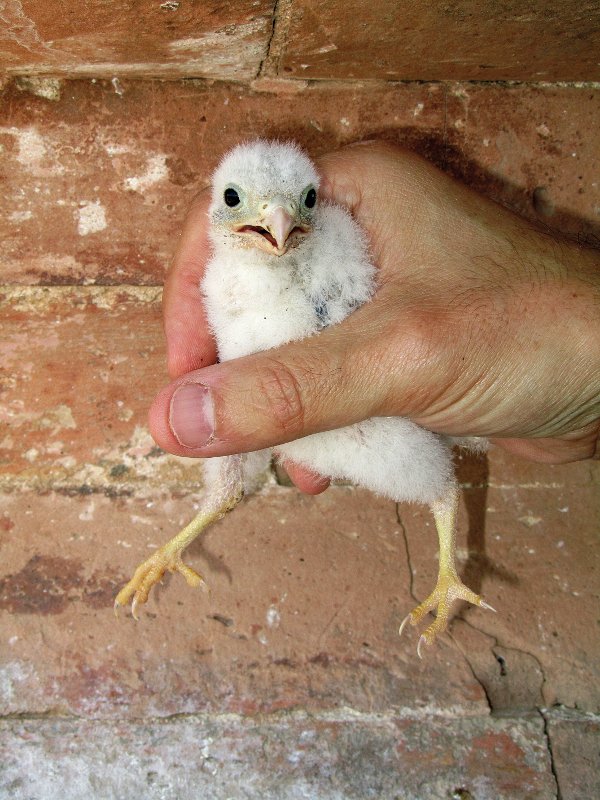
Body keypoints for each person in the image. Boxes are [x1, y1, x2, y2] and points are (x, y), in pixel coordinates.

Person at [148, 142, 600, 493]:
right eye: (234, 198)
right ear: (217, 205)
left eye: (304, 201)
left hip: (382, 412)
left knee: (419, 478)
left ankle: (447, 568)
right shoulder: (225, 276)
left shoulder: (333, 244)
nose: (278, 221)